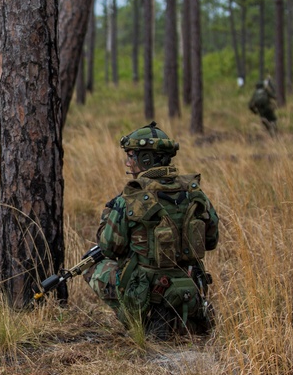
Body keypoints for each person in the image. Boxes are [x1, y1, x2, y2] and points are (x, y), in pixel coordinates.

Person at [87, 122, 219, 337]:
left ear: (146, 159)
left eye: (131, 156)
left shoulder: (131, 197)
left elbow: (110, 247)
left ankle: (137, 321)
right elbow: (211, 241)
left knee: (93, 267)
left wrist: (107, 220)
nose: (128, 162)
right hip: (189, 285)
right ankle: (185, 318)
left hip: (146, 290)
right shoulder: (195, 193)